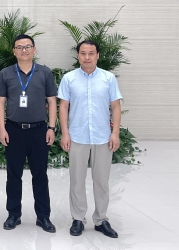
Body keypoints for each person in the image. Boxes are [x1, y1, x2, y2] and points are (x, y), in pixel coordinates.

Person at [58, 40, 122, 239]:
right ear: (78, 55)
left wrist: (115, 133)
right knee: (77, 180)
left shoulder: (108, 78)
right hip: (77, 136)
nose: (87, 57)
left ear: (97, 55)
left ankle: (101, 219)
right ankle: (78, 218)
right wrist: (65, 133)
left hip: (103, 137)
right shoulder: (69, 78)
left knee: (101, 181)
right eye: (83, 53)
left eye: (91, 53)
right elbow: (63, 107)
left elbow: (116, 106)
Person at [0, 34, 57, 233]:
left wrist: (51, 127)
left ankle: (43, 216)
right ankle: (14, 214)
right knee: (14, 175)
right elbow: (0, 102)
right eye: (20, 47)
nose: (24, 50)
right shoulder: (6, 73)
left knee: (40, 175)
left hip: (39, 130)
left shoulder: (44, 72)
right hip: (14, 130)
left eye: (28, 46)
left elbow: (52, 101)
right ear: (14, 51)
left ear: (34, 49)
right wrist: (2, 128)